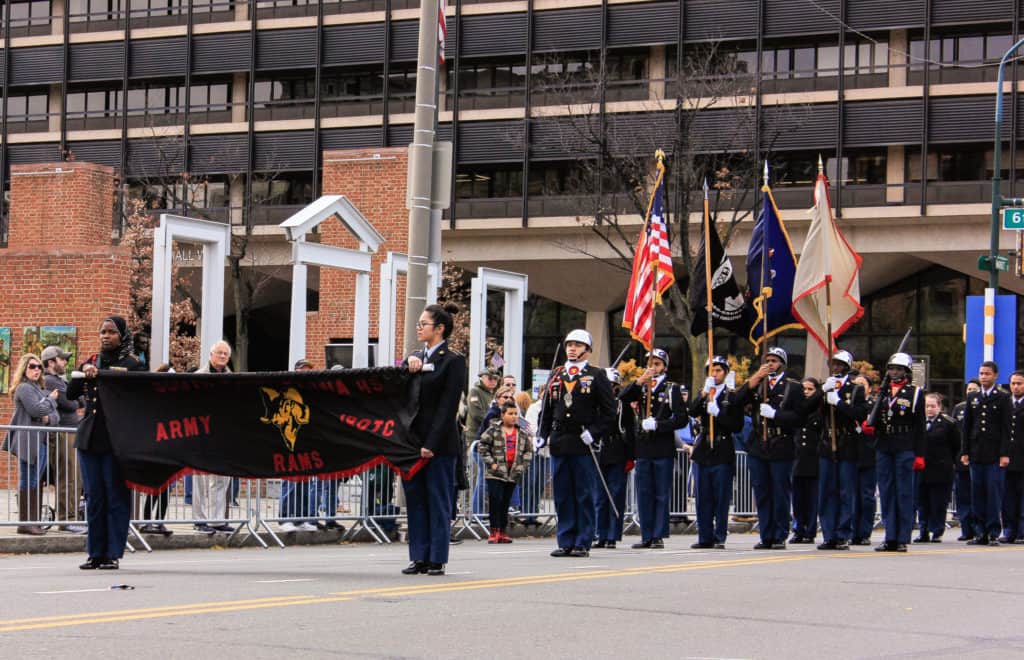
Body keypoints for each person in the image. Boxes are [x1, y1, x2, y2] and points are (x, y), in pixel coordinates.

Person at [67, 316, 145, 569]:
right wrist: (85, 375)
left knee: (116, 497)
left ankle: (112, 553)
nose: (105, 336)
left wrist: (101, 374)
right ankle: (95, 553)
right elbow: (71, 393)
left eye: (111, 332)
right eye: (102, 331)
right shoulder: (90, 361)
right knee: (94, 498)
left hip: (115, 439)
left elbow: (132, 387)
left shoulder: (133, 363)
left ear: (121, 336)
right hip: (89, 438)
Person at [536, 329, 615, 558]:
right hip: (560, 440)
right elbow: (547, 410)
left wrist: (594, 432)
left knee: (583, 493)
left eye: (578, 345)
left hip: (583, 441)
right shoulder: (557, 375)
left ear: (587, 350)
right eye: (570, 344)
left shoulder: (597, 375)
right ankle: (566, 540)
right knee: (562, 494)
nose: (572, 348)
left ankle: (583, 541)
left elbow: (609, 412)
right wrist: (542, 433)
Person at [402, 302, 467, 576]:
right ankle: (418, 556)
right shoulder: (415, 358)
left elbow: (447, 407)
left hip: (439, 444)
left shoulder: (452, 361)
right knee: (415, 500)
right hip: (411, 442)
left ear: (439, 329)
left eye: (423, 324)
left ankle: (437, 557)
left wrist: (431, 442)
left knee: (437, 500)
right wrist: (407, 364)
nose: (418, 328)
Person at [618, 348, 688, 550]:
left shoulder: (671, 389)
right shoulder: (641, 386)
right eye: (650, 363)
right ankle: (646, 534)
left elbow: (681, 418)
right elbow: (622, 397)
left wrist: (659, 424)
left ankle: (658, 535)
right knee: (645, 493)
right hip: (644, 448)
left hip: (662, 447)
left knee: (661, 494)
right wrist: (640, 381)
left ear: (664, 366)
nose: (653, 367)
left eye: (657, 364)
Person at [736, 346, 805, 550]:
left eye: (774, 361)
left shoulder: (793, 387)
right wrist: (755, 378)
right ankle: (765, 534)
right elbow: (737, 401)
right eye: (767, 360)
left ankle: (779, 534)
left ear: (782, 363)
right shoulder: (758, 384)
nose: (770, 364)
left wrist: (776, 415)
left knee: (779, 491)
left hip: (780, 444)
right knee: (762, 491)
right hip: (759, 444)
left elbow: (800, 417)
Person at [863, 352, 925, 553]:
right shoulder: (882, 392)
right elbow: (875, 418)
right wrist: (870, 427)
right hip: (884, 446)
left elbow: (920, 426)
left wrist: (920, 454)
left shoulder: (915, 393)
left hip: (905, 445)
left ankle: (901, 537)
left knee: (903, 493)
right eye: (891, 368)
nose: (894, 372)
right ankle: (889, 536)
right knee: (887, 492)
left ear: (906, 372)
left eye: (898, 369)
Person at [687, 355, 743, 549]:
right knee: (702, 497)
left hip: (721, 449)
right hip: (703, 450)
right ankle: (704, 536)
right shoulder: (705, 393)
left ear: (725, 373)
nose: (715, 373)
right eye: (712, 370)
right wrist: (703, 393)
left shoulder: (731, 396)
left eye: (719, 370)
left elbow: (737, 425)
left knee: (720, 497)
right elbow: (692, 411)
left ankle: (719, 536)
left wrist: (718, 413)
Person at [816, 350, 868, 551]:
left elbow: (860, 414)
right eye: (833, 364)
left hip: (846, 443)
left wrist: (838, 402)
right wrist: (822, 393)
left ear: (847, 367)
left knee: (845, 491)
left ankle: (843, 533)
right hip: (828, 442)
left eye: (839, 365)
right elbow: (811, 411)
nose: (836, 368)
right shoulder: (825, 386)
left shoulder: (855, 390)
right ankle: (829, 534)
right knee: (827, 492)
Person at [960, 360, 1011, 546]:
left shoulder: (1003, 397)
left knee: (993, 494)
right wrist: (965, 451)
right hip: (976, 452)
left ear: (995, 375)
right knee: (977, 493)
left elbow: (1007, 429)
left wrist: (1004, 454)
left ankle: (993, 531)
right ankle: (979, 531)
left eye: (987, 373)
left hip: (994, 454)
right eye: (981, 373)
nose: (983, 377)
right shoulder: (973, 397)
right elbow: (966, 427)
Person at [7, 353, 59, 535]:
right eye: (32, 366)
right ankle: (26, 523)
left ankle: (33, 522)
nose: (36, 370)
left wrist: (47, 415)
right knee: (28, 479)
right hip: (28, 440)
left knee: (36, 480)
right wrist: (51, 401)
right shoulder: (24, 388)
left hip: (42, 441)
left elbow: (55, 417)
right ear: (24, 369)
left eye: (39, 367)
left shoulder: (39, 389)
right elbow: (36, 410)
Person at [41, 345, 87, 533]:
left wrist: (76, 398)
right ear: (51, 362)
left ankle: (71, 516)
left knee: (75, 477)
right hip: (62, 432)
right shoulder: (51, 381)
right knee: (67, 476)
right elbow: (70, 404)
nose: (66, 362)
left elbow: (81, 400)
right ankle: (66, 519)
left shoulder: (62, 381)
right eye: (62, 359)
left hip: (72, 431)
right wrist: (75, 399)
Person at [193, 340, 236, 534]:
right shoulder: (198, 377)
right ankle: (199, 520)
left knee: (222, 480)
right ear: (211, 355)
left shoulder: (233, 379)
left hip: (223, 434)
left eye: (225, 354)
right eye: (219, 353)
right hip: (201, 434)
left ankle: (218, 520)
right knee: (200, 480)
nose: (222, 356)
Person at [478, 400, 534, 543]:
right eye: (510, 414)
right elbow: (482, 446)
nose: (514, 416)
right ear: (503, 415)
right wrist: (492, 464)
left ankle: (503, 531)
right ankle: (494, 531)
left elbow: (528, 451)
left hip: (512, 473)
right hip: (495, 474)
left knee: (505, 503)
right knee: (495, 501)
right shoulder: (493, 429)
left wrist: (522, 466)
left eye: (515, 414)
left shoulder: (521, 432)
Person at [593, 368, 634, 549]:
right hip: (600, 450)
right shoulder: (595, 404)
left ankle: (612, 535)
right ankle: (600, 534)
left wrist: (631, 456)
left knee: (616, 495)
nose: (609, 388)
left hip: (618, 450)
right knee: (600, 496)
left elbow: (630, 431)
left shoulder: (622, 405)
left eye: (612, 386)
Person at [915, 393, 959, 543]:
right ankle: (923, 531)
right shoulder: (918, 422)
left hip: (941, 469)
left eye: (933, 406)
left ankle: (937, 530)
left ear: (939, 407)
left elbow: (956, 446)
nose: (929, 409)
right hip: (922, 469)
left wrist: (951, 463)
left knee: (938, 503)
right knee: (923, 502)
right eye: (927, 406)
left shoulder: (949, 423)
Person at [791, 377, 822, 544]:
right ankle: (798, 529)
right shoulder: (797, 408)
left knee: (812, 498)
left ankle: (810, 530)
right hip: (797, 458)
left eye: (810, 389)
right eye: (803, 389)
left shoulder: (820, 409)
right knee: (798, 499)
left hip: (813, 458)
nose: (806, 392)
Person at [850, 374, 878, 545]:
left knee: (866, 496)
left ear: (869, 388)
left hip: (869, 455)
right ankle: (852, 531)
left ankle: (864, 532)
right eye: (856, 385)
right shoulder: (848, 406)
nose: (859, 388)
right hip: (850, 454)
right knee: (851, 495)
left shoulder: (874, 405)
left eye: (862, 385)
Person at [952, 379, 980, 541]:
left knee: (976, 495)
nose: (971, 392)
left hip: (976, 457)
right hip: (961, 458)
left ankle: (977, 528)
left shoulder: (982, 408)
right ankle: (966, 528)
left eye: (974, 389)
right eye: (969, 389)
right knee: (962, 497)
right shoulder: (959, 408)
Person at [999, 371, 1024, 543]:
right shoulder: (1004, 403)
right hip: (1007, 458)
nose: (1016, 387)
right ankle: (1009, 530)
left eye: (1020, 383)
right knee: (1007, 498)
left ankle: (1022, 532)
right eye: (1013, 383)